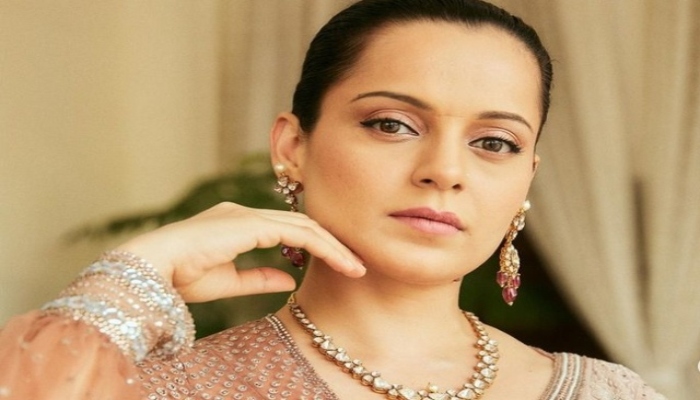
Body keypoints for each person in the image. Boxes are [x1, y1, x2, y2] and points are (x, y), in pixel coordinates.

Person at [0, 0, 666, 399]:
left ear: (526, 179)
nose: (444, 171)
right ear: (293, 146)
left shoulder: (611, 394)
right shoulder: (175, 389)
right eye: (392, 125)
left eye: (495, 142)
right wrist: (128, 281)